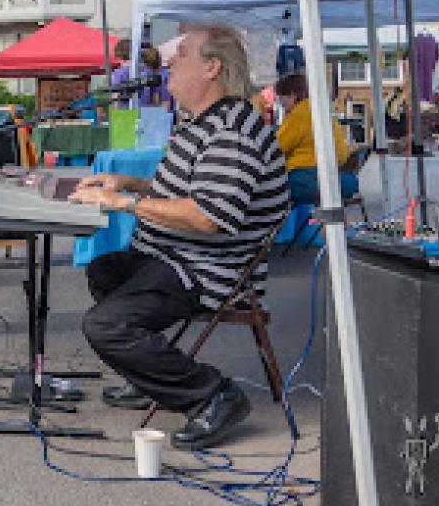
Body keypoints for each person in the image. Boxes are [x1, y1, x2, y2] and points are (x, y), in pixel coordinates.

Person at [68, 25, 289, 450]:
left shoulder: (233, 131)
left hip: (206, 272)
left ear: (212, 67)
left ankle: (213, 395)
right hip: (175, 258)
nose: (168, 61)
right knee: (105, 270)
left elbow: (209, 216)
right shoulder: (204, 123)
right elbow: (190, 187)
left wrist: (125, 205)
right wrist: (130, 183)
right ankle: (150, 375)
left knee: (105, 326)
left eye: (181, 54)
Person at [274, 73, 359, 205]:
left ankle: (294, 224)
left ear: (292, 94)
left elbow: (276, 149)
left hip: (305, 181)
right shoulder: (324, 112)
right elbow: (342, 154)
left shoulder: (297, 116)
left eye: (282, 98)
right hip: (336, 181)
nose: (281, 103)